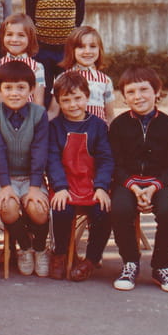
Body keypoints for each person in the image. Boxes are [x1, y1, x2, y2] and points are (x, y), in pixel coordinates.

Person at [109, 66, 168, 293]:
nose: (138, 96)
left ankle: (161, 266)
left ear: (156, 91)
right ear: (124, 97)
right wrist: (133, 187)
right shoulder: (119, 125)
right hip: (127, 182)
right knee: (120, 210)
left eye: (144, 90)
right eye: (131, 92)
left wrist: (153, 188)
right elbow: (114, 164)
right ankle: (130, 263)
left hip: (157, 183)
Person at [0, 61, 50, 277]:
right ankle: (25, 247)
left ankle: (40, 248)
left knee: (38, 209)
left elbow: (40, 151)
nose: (14, 93)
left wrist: (34, 187)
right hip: (3, 176)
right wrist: (5, 186)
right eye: (8, 88)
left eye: (21, 87)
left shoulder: (39, 114)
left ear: (31, 89)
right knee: (8, 207)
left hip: (32, 176)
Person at [47, 71, 114, 281]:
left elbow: (106, 159)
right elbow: (52, 160)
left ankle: (91, 259)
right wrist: (60, 187)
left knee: (104, 210)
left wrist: (101, 187)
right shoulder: (54, 127)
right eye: (66, 100)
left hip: (91, 183)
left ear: (87, 97)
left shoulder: (98, 126)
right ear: (58, 102)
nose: (73, 105)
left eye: (77, 98)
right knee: (60, 208)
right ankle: (60, 254)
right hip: (65, 182)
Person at [25, 0, 85, 106]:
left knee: (66, 91)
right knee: (43, 92)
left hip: (66, 51)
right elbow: (30, 20)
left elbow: (79, 18)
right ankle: (43, 120)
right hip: (41, 50)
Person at [48, 26, 115, 124]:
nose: (87, 51)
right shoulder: (62, 78)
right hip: (70, 130)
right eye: (81, 47)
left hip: (97, 131)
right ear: (72, 50)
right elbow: (53, 112)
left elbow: (110, 116)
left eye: (92, 46)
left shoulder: (105, 80)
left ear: (99, 49)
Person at [0, 13, 46, 106]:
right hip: (4, 114)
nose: (14, 39)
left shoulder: (37, 67)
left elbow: (38, 103)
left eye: (21, 35)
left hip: (30, 114)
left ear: (30, 38)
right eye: (9, 34)